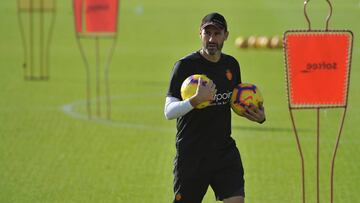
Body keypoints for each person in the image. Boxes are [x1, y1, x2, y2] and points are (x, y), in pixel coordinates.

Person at [164, 12, 266, 203]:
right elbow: (168, 112)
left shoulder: (231, 65)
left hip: (224, 153)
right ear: (199, 34)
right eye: (207, 33)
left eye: (217, 33)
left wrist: (257, 115)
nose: (212, 39)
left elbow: (236, 102)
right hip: (192, 156)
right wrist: (194, 101)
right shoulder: (184, 66)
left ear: (226, 35)